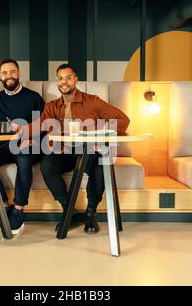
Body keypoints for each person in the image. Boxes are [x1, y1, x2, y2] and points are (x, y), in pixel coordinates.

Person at [37, 63, 130, 234]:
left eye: (68, 77)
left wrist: (100, 134)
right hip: (65, 153)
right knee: (47, 164)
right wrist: (21, 132)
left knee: (100, 165)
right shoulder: (51, 106)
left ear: (76, 80)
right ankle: (69, 210)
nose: (64, 82)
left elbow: (122, 119)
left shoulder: (92, 101)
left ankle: (90, 213)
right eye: (60, 78)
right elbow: (41, 126)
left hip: (89, 151)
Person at [0, 59, 45, 235]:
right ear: (0, 76)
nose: (9, 76)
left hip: (29, 145)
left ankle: (19, 211)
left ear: (18, 74)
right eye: (4, 73)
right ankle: (5, 208)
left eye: (12, 72)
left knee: (24, 157)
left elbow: (45, 123)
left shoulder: (33, 97)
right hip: (5, 147)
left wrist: (33, 139)